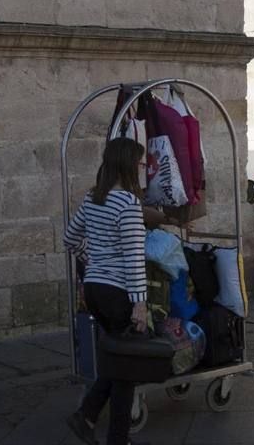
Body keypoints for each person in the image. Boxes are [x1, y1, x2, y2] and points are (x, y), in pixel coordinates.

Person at [64, 137, 150, 445]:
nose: (144, 168)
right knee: (125, 369)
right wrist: (140, 304)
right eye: (141, 163)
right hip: (117, 294)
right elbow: (134, 258)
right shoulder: (128, 204)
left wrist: (95, 259)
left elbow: (70, 239)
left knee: (115, 361)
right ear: (128, 165)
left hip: (95, 289)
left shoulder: (93, 198)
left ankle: (85, 415)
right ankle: (117, 438)